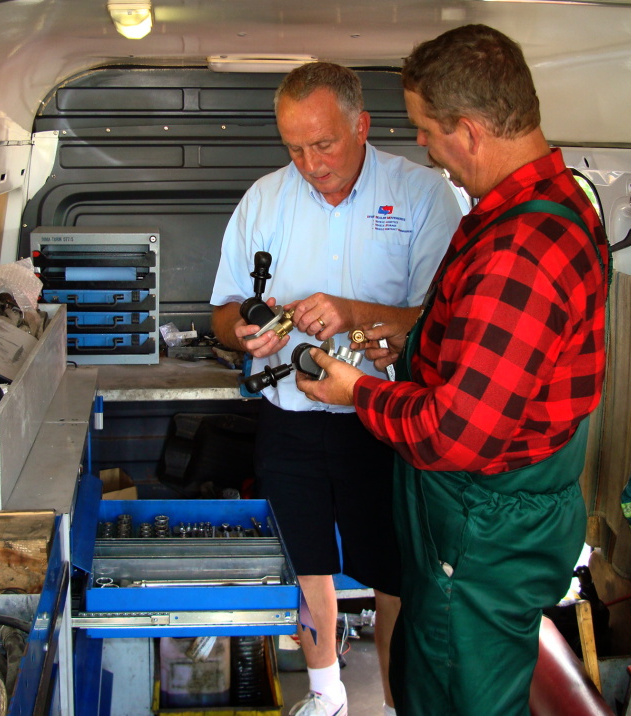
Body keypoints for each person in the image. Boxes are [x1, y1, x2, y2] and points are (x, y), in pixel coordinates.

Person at [295, 25, 609, 716]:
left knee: (458, 695)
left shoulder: (521, 247)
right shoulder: (544, 204)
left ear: (467, 130)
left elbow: (455, 435)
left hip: (481, 525)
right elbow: (494, 353)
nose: (425, 148)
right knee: (427, 675)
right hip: (486, 516)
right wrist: (411, 350)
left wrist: (360, 391)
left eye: (426, 131)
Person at [210, 62, 463, 716]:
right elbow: (223, 308)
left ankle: (399, 698)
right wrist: (243, 331)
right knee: (306, 564)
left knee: (393, 576)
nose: (311, 163)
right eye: (294, 148)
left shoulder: (423, 196)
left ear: (362, 126)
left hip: (385, 418)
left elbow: (446, 322)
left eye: (323, 144)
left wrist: (354, 312)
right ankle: (326, 694)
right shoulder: (264, 199)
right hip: (289, 418)